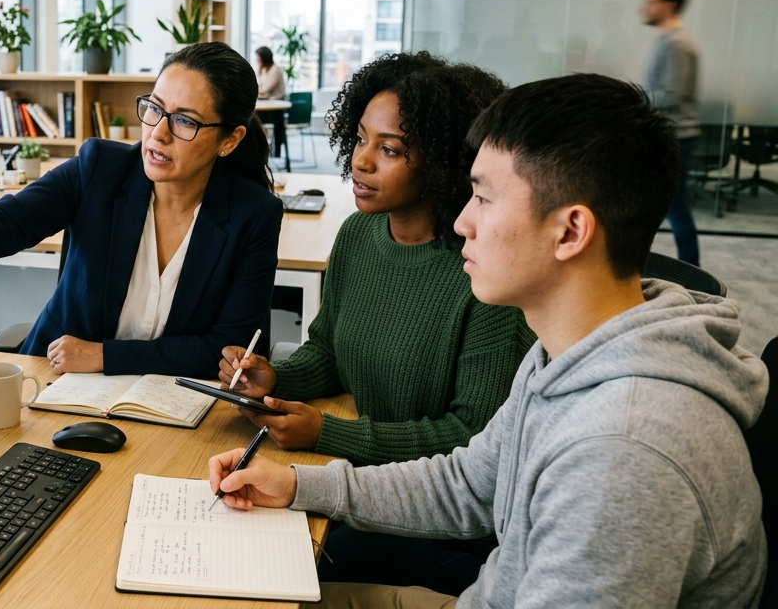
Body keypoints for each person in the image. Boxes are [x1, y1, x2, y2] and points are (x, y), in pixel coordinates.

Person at [209, 73, 767, 608]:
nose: (461, 223)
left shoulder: (623, 451)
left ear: (570, 231)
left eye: (483, 198)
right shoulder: (566, 350)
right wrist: (296, 485)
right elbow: (466, 485)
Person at [220, 52, 535, 595]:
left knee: (283, 565)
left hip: (443, 526)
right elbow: (328, 352)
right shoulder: (357, 238)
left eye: (389, 149)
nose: (360, 162)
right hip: (363, 480)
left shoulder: (485, 273)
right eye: (360, 139)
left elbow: (472, 442)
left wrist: (330, 433)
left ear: (441, 161)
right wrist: (276, 379)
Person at [0, 42, 283, 378]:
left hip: (171, 402)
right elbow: (7, 221)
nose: (158, 134)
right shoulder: (101, 169)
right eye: (154, 109)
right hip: (58, 383)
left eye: (185, 121)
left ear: (230, 139)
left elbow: (227, 351)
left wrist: (102, 355)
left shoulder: (253, 215)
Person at [641, 0, 700, 265]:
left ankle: (693, 270)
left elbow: (674, 94)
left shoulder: (677, 43)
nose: (646, 7)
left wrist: (635, 96)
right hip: (666, 132)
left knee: (676, 208)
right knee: (667, 206)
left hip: (678, 135)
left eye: (652, 2)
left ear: (669, 6)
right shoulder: (666, 39)